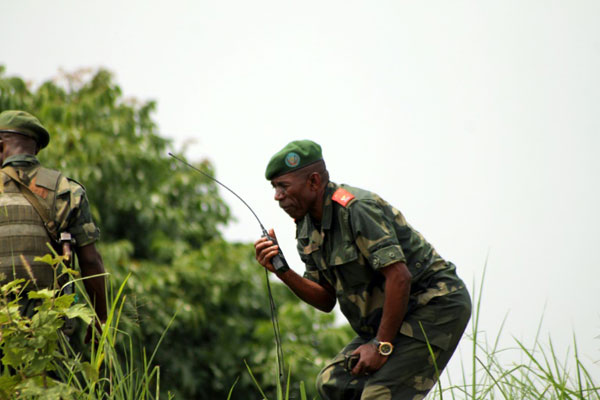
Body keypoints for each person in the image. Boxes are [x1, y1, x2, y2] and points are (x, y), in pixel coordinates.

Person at [254, 140, 471, 400]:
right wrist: (283, 272)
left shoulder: (357, 209)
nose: (277, 195)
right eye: (274, 187)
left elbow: (399, 277)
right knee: (333, 384)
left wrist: (381, 345)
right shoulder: (305, 227)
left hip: (434, 305)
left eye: (283, 186)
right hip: (393, 317)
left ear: (313, 181)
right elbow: (325, 299)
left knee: (377, 395)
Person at [0, 110, 107, 341]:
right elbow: (90, 261)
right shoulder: (65, 190)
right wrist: (100, 321)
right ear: (36, 149)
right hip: (46, 329)